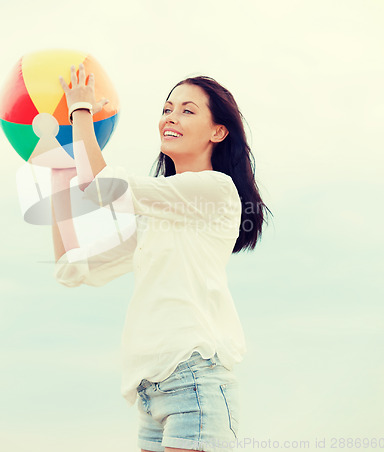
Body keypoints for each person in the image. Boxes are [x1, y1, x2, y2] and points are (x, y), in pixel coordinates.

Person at [51, 63, 271, 452]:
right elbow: (72, 267)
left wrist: (79, 111)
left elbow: (101, 187)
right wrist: (57, 171)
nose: (171, 117)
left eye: (188, 110)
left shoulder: (216, 190)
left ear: (218, 132)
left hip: (194, 380)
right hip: (152, 392)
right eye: (167, 108)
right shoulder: (156, 215)